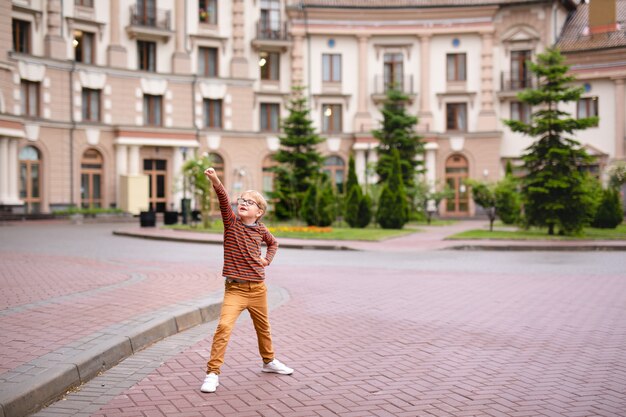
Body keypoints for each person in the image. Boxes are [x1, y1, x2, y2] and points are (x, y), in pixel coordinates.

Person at [200, 167, 293, 393]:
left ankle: (269, 362)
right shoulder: (231, 224)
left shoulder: (261, 230)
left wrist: (267, 260)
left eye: (249, 202)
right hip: (236, 290)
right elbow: (223, 198)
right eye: (241, 200)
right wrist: (214, 178)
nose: (243, 203)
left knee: (264, 328)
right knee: (223, 327)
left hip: (259, 289)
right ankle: (212, 373)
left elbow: (274, 243)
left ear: (259, 211)